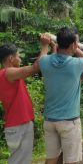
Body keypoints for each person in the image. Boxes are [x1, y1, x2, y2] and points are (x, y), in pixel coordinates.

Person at [39, 27, 83, 164]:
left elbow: (43, 58)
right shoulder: (77, 64)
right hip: (69, 121)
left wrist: (45, 45)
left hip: (49, 120)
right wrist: (77, 48)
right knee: (71, 160)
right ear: (73, 44)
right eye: (77, 43)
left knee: (51, 159)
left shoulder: (45, 62)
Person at [0, 34, 51, 164]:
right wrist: (44, 46)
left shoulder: (12, 74)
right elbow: (35, 68)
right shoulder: (8, 73)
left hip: (20, 124)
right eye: (18, 55)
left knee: (22, 160)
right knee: (19, 161)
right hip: (18, 126)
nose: (20, 58)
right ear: (11, 58)